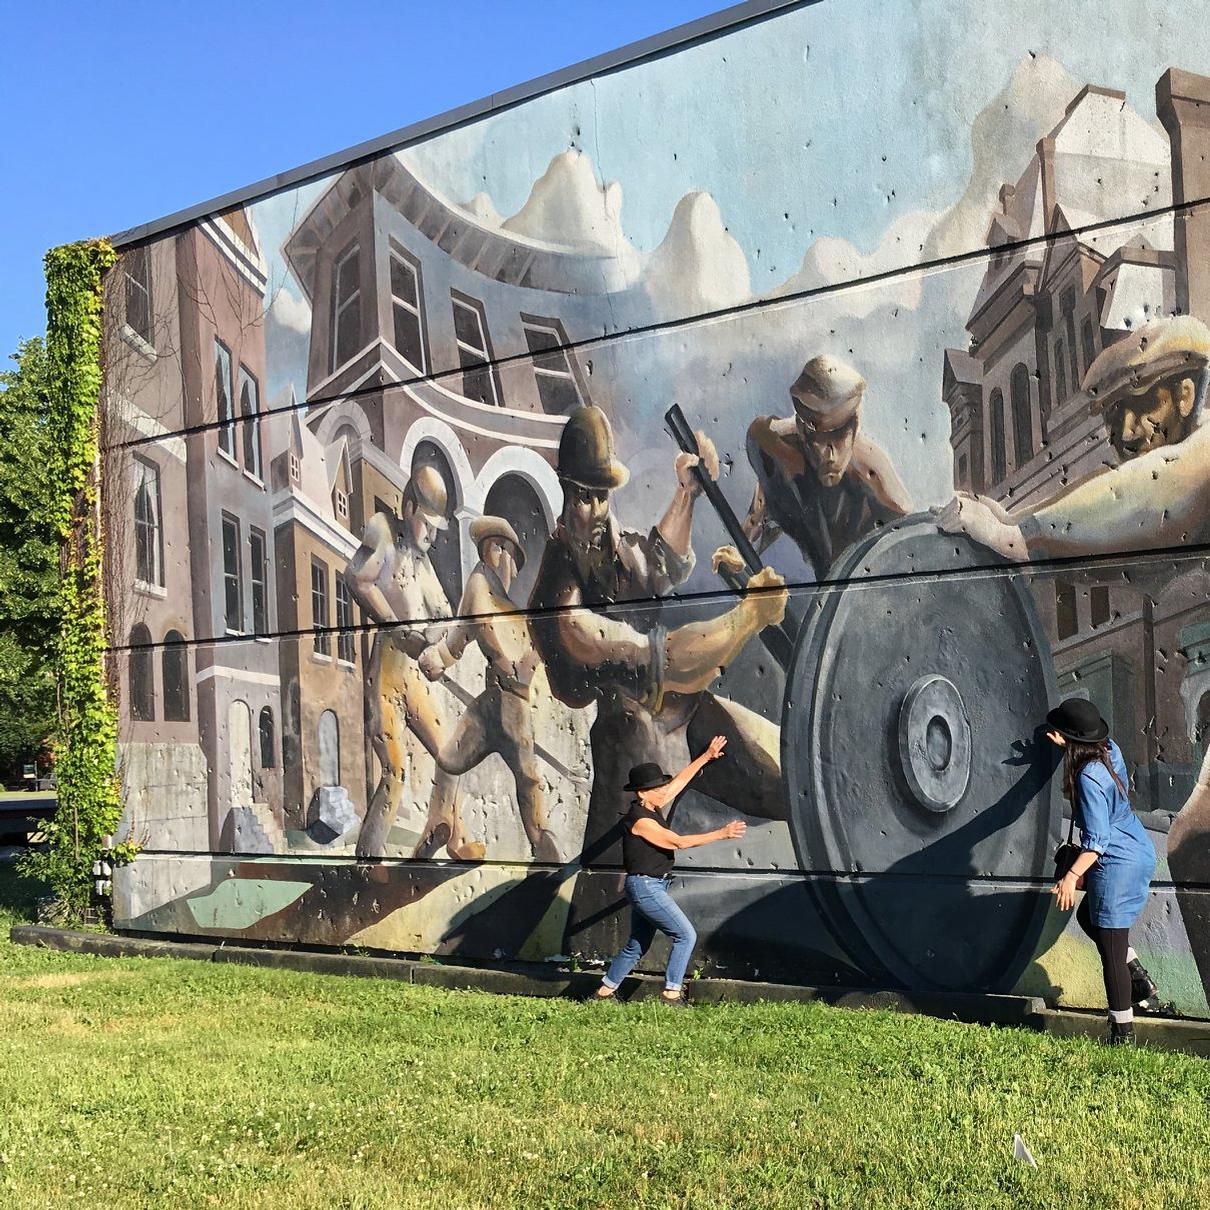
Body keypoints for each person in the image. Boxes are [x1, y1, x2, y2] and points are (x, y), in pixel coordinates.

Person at [527, 405, 787, 952]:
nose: (594, 510)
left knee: (788, 781)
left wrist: (686, 494)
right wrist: (747, 617)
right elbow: (665, 657)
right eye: (582, 497)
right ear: (565, 492)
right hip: (633, 740)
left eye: (602, 496)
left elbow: (658, 561)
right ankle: (595, 962)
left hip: (684, 712)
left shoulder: (610, 546)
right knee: (613, 893)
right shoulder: (559, 596)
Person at [346, 465, 483, 861]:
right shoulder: (383, 532)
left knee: (451, 757)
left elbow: (442, 615)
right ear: (409, 507)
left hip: (416, 671)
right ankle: (368, 859)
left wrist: (439, 645)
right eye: (428, 522)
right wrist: (399, 628)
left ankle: (449, 838)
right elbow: (358, 579)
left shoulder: (423, 564)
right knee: (395, 771)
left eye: (437, 527)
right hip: (388, 666)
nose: (432, 534)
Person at [418, 515, 560, 862]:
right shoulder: (480, 583)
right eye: (499, 549)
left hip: (510, 704)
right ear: (489, 550)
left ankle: (541, 844)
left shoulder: (508, 606)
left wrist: (528, 662)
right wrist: (440, 658)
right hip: (497, 703)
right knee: (452, 760)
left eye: (509, 555)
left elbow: (528, 646)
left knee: (524, 776)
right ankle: (443, 826)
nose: (506, 562)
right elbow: (473, 631)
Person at [715, 353, 913, 583]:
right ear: (801, 428)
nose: (830, 455)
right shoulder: (768, 446)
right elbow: (759, 512)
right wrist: (737, 552)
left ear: (856, 425)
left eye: (839, 435)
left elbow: (911, 551)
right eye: (819, 437)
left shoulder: (877, 485)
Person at [593, 737, 744, 1006]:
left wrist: (706, 756)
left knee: (637, 944)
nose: (664, 790)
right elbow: (677, 842)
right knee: (685, 935)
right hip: (646, 887)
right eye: (657, 787)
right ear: (642, 793)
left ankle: (603, 993)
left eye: (662, 785)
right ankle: (671, 994)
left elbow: (679, 782)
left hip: (651, 885)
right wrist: (721, 833)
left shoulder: (653, 806)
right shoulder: (640, 821)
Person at [1044, 698, 1159, 1044]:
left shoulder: (1088, 779)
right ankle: (1136, 975)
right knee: (1089, 917)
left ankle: (1122, 1033)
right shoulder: (1110, 751)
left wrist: (1069, 877)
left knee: (1110, 949)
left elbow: (1097, 842)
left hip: (1117, 860)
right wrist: (1069, 744)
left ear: (1070, 739)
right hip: (1136, 846)